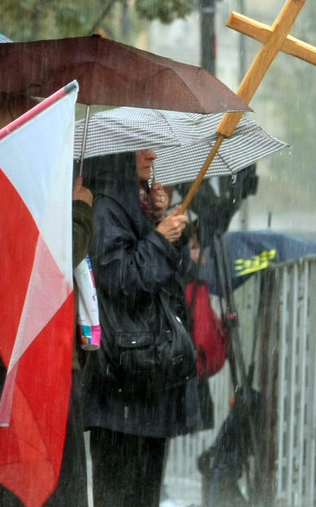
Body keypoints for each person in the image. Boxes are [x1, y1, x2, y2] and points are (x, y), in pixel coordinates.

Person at [0, 92, 95, 507]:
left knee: (2, 478)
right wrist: (80, 212)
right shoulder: (4, 185)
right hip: (25, 355)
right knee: (44, 479)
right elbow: (48, 259)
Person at [80, 149, 200, 507]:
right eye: (140, 148)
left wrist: (161, 224)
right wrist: (159, 238)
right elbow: (120, 278)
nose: (152, 154)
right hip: (124, 376)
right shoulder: (105, 208)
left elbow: (177, 280)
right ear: (118, 156)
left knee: (145, 491)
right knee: (120, 491)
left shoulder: (140, 207)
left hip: (148, 373)